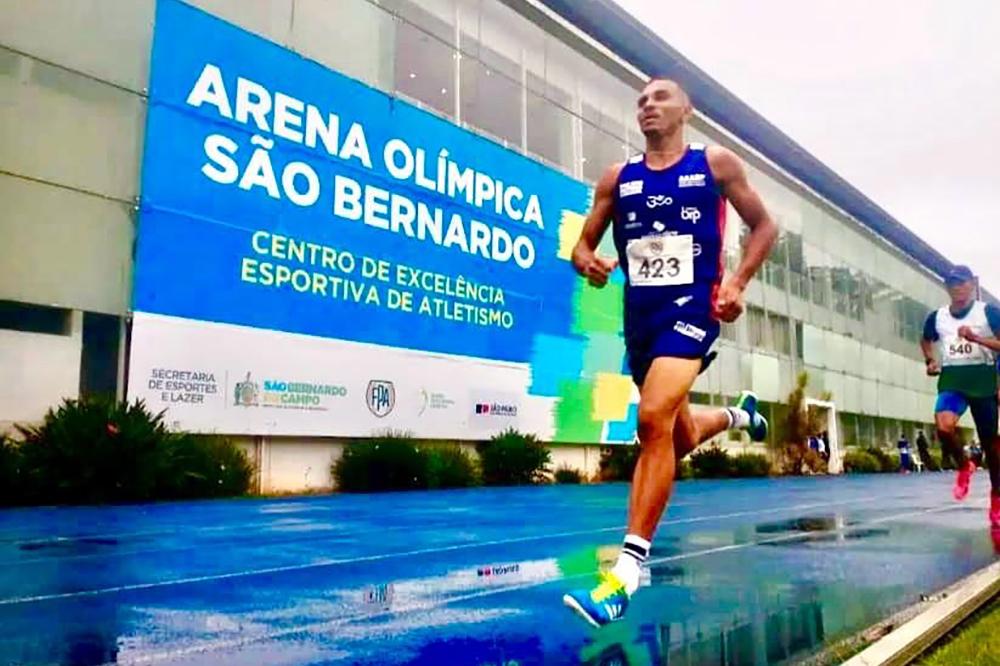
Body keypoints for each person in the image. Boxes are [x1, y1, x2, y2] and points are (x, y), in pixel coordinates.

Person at [562, 77, 777, 627]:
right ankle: (737, 415)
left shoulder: (715, 165)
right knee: (675, 434)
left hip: (693, 310)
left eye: (660, 98)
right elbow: (583, 245)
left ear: (686, 109)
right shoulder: (618, 178)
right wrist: (587, 261)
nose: (648, 106)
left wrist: (737, 283)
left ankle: (625, 574)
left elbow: (764, 225)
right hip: (642, 321)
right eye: (640, 100)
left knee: (652, 418)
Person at [921, 265, 1000, 528]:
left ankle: (997, 499)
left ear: (971, 285)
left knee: (992, 448)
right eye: (953, 283)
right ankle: (964, 466)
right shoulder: (938, 317)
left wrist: (977, 338)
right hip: (953, 378)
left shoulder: (987, 312)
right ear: (948, 287)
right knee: (943, 426)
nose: (958, 288)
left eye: (963, 283)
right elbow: (926, 339)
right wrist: (930, 360)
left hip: (982, 379)